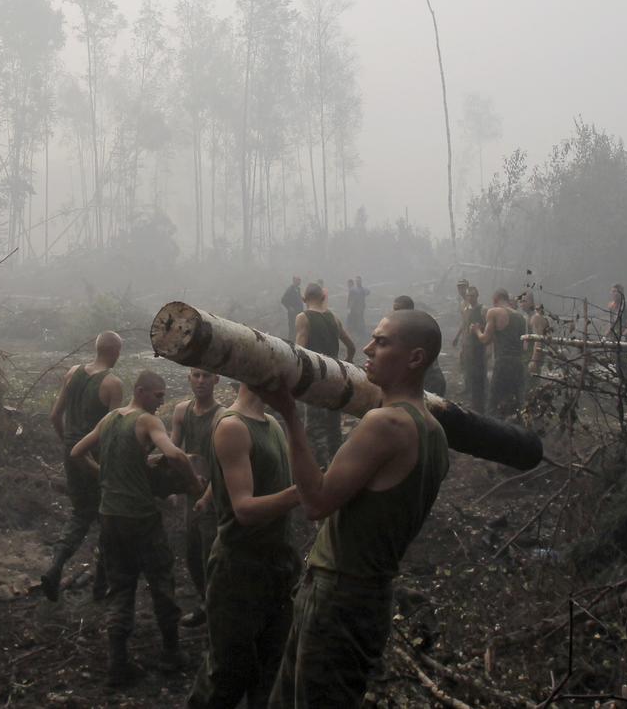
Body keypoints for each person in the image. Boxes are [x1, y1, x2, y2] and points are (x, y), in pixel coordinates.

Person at [264, 309, 451, 707]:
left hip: (339, 595)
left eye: (382, 342)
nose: (366, 347)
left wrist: (290, 417)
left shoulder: (385, 425)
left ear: (415, 358)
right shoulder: (434, 431)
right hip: (368, 595)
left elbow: (315, 502)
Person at [71, 371, 202, 686]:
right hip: (140, 517)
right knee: (161, 579)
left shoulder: (111, 419)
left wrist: (104, 476)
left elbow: (77, 452)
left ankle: (118, 664)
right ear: (141, 391)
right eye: (158, 395)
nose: (161, 402)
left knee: (122, 585)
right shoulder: (146, 421)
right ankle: (171, 653)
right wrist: (193, 483)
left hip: (110, 516)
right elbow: (174, 454)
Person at [187, 383, 301, 709]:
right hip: (238, 569)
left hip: (278, 566)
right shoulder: (232, 426)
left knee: (272, 674)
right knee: (227, 676)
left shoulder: (274, 425)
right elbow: (245, 509)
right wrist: (299, 493)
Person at [40, 331, 125, 601]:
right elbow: (112, 432)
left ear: (96, 348)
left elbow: (55, 415)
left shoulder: (73, 372)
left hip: (71, 453)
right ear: (115, 352)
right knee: (108, 518)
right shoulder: (112, 384)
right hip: (97, 458)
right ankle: (101, 586)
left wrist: (69, 445)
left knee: (80, 514)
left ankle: (55, 567)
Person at [170, 368, 224, 628]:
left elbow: (224, 464)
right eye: (196, 375)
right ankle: (205, 601)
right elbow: (173, 451)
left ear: (217, 379)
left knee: (210, 552)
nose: (201, 381)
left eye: (206, 376)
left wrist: (208, 495)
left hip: (214, 494)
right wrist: (171, 487)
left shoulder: (222, 417)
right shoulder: (182, 411)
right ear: (189, 378)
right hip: (190, 492)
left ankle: (215, 611)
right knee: (191, 550)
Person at [294, 283, 357, 466]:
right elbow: (351, 346)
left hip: (316, 382)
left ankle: (323, 472)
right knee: (333, 428)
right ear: (322, 297)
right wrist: (348, 361)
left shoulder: (303, 317)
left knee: (315, 430)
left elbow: (300, 352)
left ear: (304, 299)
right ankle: (340, 468)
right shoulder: (333, 318)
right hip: (336, 379)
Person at [473, 288, 527, 419]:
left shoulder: (494, 312)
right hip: (518, 364)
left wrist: (476, 331)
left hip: (503, 363)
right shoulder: (521, 317)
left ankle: (492, 434)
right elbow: (523, 345)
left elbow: (485, 339)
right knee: (516, 404)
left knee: (493, 403)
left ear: (495, 300)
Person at [392, 296, 446, 397]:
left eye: (398, 310)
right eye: (394, 309)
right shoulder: (401, 328)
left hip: (429, 381)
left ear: (409, 310)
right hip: (415, 382)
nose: (394, 313)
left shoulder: (419, 329)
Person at [452, 285, 487, 413]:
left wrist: (488, 348)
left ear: (477, 296)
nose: (470, 298)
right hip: (468, 344)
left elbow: (489, 328)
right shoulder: (466, 308)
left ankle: (481, 400)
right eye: (468, 296)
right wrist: (458, 337)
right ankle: (472, 396)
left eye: (472, 295)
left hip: (479, 345)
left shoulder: (483, 309)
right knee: (468, 369)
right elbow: (464, 323)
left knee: (479, 372)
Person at [528, 304, 550, 377]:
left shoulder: (536, 318)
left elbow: (538, 339)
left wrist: (534, 361)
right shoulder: (536, 318)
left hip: (539, 362)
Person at [346, 276, 371, 342]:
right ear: (356, 282)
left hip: (360, 308)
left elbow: (368, 292)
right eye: (357, 281)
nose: (358, 282)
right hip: (354, 308)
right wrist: (349, 308)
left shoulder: (363, 289)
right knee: (355, 321)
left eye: (359, 281)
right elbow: (349, 299)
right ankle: (357, 335)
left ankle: (361, 335)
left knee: (360, 320)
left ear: (361, 281)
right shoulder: (353, 289)